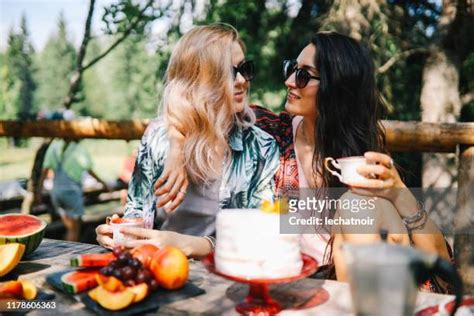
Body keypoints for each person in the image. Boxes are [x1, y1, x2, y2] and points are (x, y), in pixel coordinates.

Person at [156, 31, 452, 292]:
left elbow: (442, 263)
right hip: (298, 282)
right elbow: (189, 100)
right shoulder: (268, 132)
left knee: (357, 205)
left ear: (336, 87)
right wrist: (176, 147)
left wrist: (399, 191)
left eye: (302, 75)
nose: (288, 81)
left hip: (367, 283)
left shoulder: (365, 155)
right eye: (291, 69)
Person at [95, 24, 279, 258]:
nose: (242, 80)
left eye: (245, 68)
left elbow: (259, 235)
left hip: (226, 276)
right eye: (229, 72)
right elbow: (136, 210)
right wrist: (119, 232)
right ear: (197, 80)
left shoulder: (262, 147)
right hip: (156, 268)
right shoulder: (157, 136)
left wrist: (189, 245)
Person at [38, 138, 109, 241]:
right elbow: (89, 170)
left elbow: (45, 170)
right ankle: (70, 255)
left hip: (56, 193)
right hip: (72, 194)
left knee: (69, 227)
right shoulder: (79, 149)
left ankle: (65, 249)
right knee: (74, 229)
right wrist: (103, 183)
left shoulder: (54, 147)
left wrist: (39, 191)